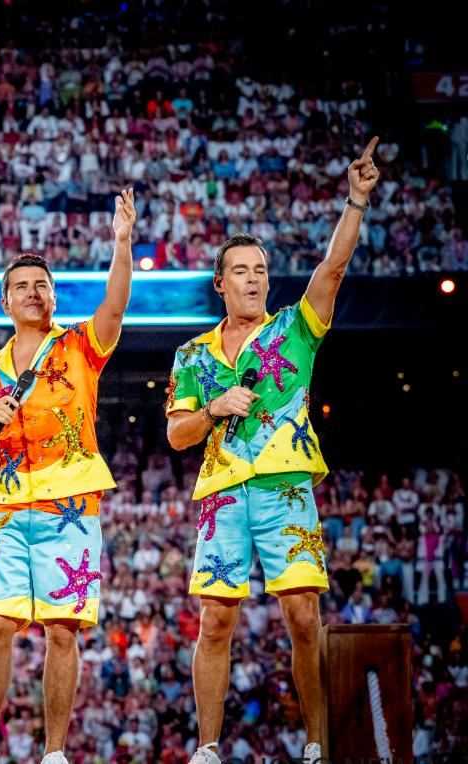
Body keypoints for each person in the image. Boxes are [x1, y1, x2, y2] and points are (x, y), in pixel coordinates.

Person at [165, 138, 382, 764]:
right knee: (215, 622)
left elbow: (332, 269)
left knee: (303, 616)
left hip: (285, 486)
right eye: (241, 270)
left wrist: (355, 201)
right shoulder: (192, 356)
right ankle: (208, 747)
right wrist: (213, 409)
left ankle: (316, 741)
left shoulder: (294, 328)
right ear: (220, 283)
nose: (254, 278)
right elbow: (177, 434)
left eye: (260, 269)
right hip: (222, 494)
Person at [0, 189, 136, 764]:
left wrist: (122, 242)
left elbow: (115, 304)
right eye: (23, 286)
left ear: (54, 295)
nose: (34, 292)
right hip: (8, 505)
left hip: (73, 502)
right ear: (5, 300)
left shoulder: (81, 344)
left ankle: (54, 752)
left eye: (43, 284)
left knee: (63, 630)